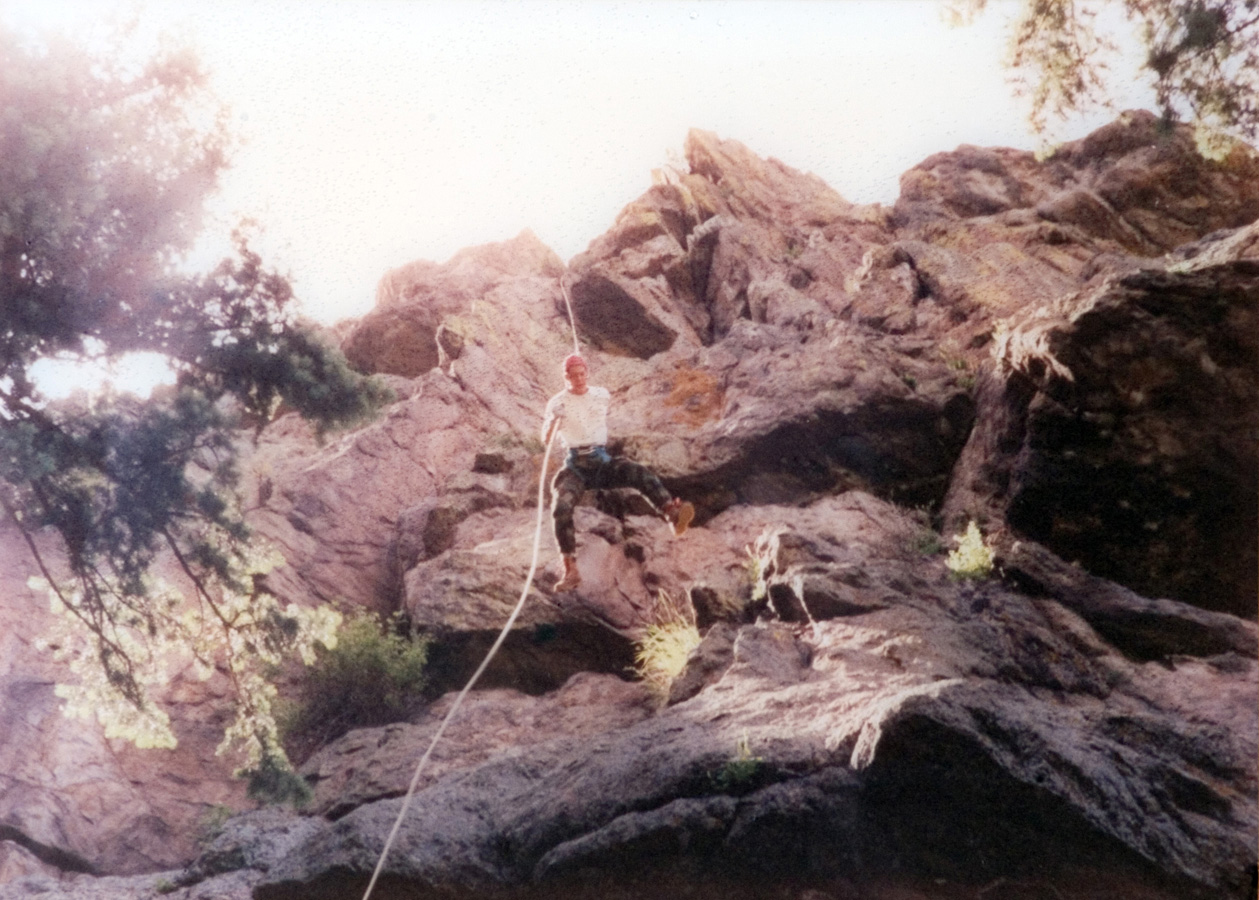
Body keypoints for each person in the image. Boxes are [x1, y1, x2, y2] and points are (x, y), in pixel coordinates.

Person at [542, 353, 694, 591]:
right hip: (575, 465)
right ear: (566, 377)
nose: (580, 379)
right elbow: (546, 440)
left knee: (638, 473)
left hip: (600, 460)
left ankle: (671, 513)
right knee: (561, 508)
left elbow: (595, 407)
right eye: (575, 376)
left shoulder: (600, 395)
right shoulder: (556, 402)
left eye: (583, 374)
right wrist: (554, 419)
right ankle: (570, 569)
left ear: (587, 374)